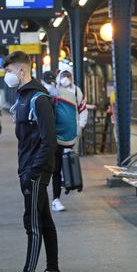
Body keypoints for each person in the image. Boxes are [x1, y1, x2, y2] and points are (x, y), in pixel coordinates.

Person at [0, 51, 62, 272]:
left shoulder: (38, 99)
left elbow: (49, 141)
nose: (7, 76)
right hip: (28, 167)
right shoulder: (24, 97)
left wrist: (33, 171)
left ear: (21, 71)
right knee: (44, 219)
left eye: (8, 71)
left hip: (34, 170)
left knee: (32, 221)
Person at [51, 66, 88, 212]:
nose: (66, 78)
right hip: (56, 135)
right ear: (58, 76)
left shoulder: (76, 91)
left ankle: (71, 182)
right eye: (63, 75)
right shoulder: (53, 91)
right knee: (56, 166)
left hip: (72, 135)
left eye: (68, 75)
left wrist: (80, 127)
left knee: (70, 160)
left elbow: (83, 109)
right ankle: (56, 199)